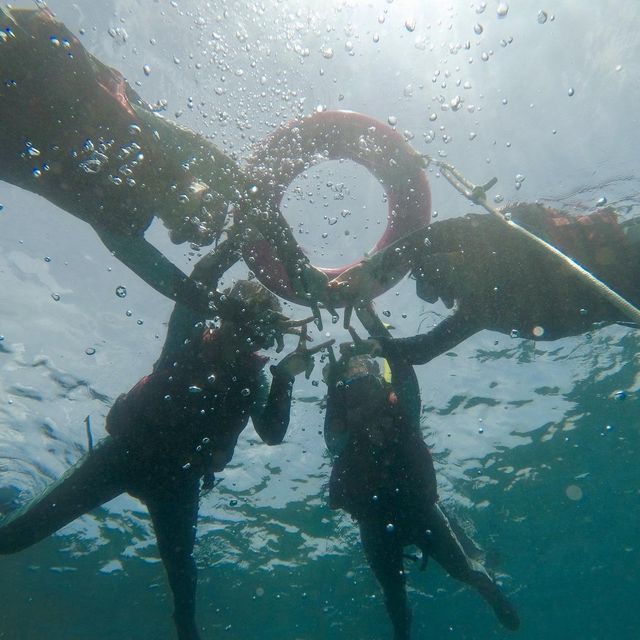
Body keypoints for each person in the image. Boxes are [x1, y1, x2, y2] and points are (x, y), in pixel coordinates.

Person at [0, 274, 333, 640]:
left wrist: (284, 376)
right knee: (12, 537)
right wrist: (230, 246)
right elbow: (190, 292)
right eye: (238, 327)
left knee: (183, 583)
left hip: (177, 480)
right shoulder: (186, 339)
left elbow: (272, 434)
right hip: (123, 454)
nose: (240, 342)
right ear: (224, 319)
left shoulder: (252, 380)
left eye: (251, 336)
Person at [0, 6, 324, 312]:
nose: (195, 218)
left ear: (171, 229)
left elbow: (178, 288)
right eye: (208, 204)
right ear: (200, 183)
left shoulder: (122, 222)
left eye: (187, 229)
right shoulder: (165, 150)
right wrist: (293, 259)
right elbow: (244, 190)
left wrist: (222, 299)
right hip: (40, 67)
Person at [323, 345, 520, 639]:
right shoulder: (343, 419)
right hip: (383, 519)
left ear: (377, 374)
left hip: (414, 511)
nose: (357, 374)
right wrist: (334, 388)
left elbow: (406, 379)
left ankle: (491, 591)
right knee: (395, 594)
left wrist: (383, 345)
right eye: (350, 371)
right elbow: (335, 439)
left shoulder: (397, 408)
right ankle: (403, 634)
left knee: (462, 570)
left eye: (362, 366)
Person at [336, 203, 640, 364]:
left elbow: (435, 235)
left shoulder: (493, 242)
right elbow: (425, 349)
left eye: (438, 282)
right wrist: (375, 347)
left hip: (625, 254)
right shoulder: (481, 310)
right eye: (438, 292)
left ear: (453, 259)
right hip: (624, 301)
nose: (446, 297)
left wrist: (375, 268)